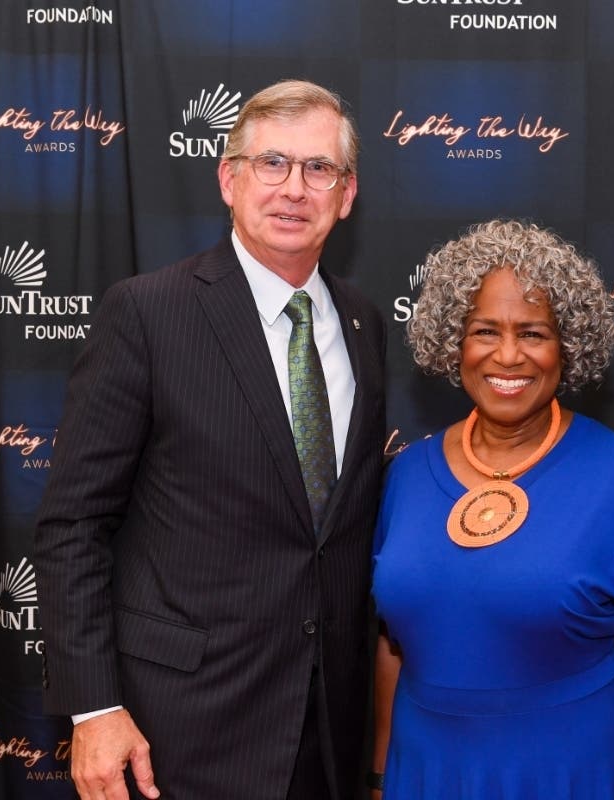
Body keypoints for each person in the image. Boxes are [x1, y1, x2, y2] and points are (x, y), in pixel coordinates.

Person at [33, 79, 386, 800]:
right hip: (179, 730)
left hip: (330, 731)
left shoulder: (363, 323)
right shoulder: (147, 313)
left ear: (346, 194)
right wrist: (94, 708)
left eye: (319, 168)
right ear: (229, 179)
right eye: (272, 163)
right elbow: (73, 524)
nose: (294, 188)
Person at [370, 219, 614, 799]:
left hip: (578, 774)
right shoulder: (407, 476)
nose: (508, 355)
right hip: (428, 773)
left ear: (568, 346)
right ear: (453, 341)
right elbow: (392, 646)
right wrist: (378, 779)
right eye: (484, 331)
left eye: (533, 333)